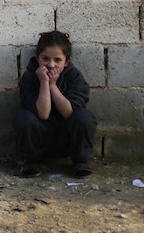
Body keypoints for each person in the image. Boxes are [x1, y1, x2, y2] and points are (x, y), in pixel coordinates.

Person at [13, 30, 97, 178]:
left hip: (68, 138)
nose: (51, 65)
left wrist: (53, 86)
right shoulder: (30, 77)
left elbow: (68, 112)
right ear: (37, 57)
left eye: (57, 60)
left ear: (67, 61)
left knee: (84, 117)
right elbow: (43, 114)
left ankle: (80, 161)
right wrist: (44, 83)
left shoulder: (74, 77)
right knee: (24, 118)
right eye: (45, 59)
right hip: (39, 138)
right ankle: (31, 162)